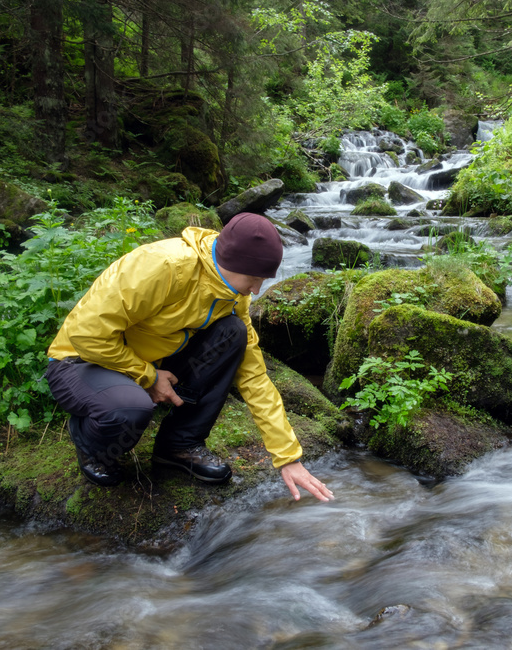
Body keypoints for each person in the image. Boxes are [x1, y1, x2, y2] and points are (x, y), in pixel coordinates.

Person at [44, 213, 334, 502]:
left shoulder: (233, 294)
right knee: (131, 409)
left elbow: (253, 374)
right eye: (254, 279)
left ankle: (178, 445)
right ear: (229, 262)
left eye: (263, 280)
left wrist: (287, 456)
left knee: (233, 333)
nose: (257, 290)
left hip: (150, 360)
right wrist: (147, 376)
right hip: (81, 361)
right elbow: (87, 337)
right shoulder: (162, 266)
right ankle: (90, 442)